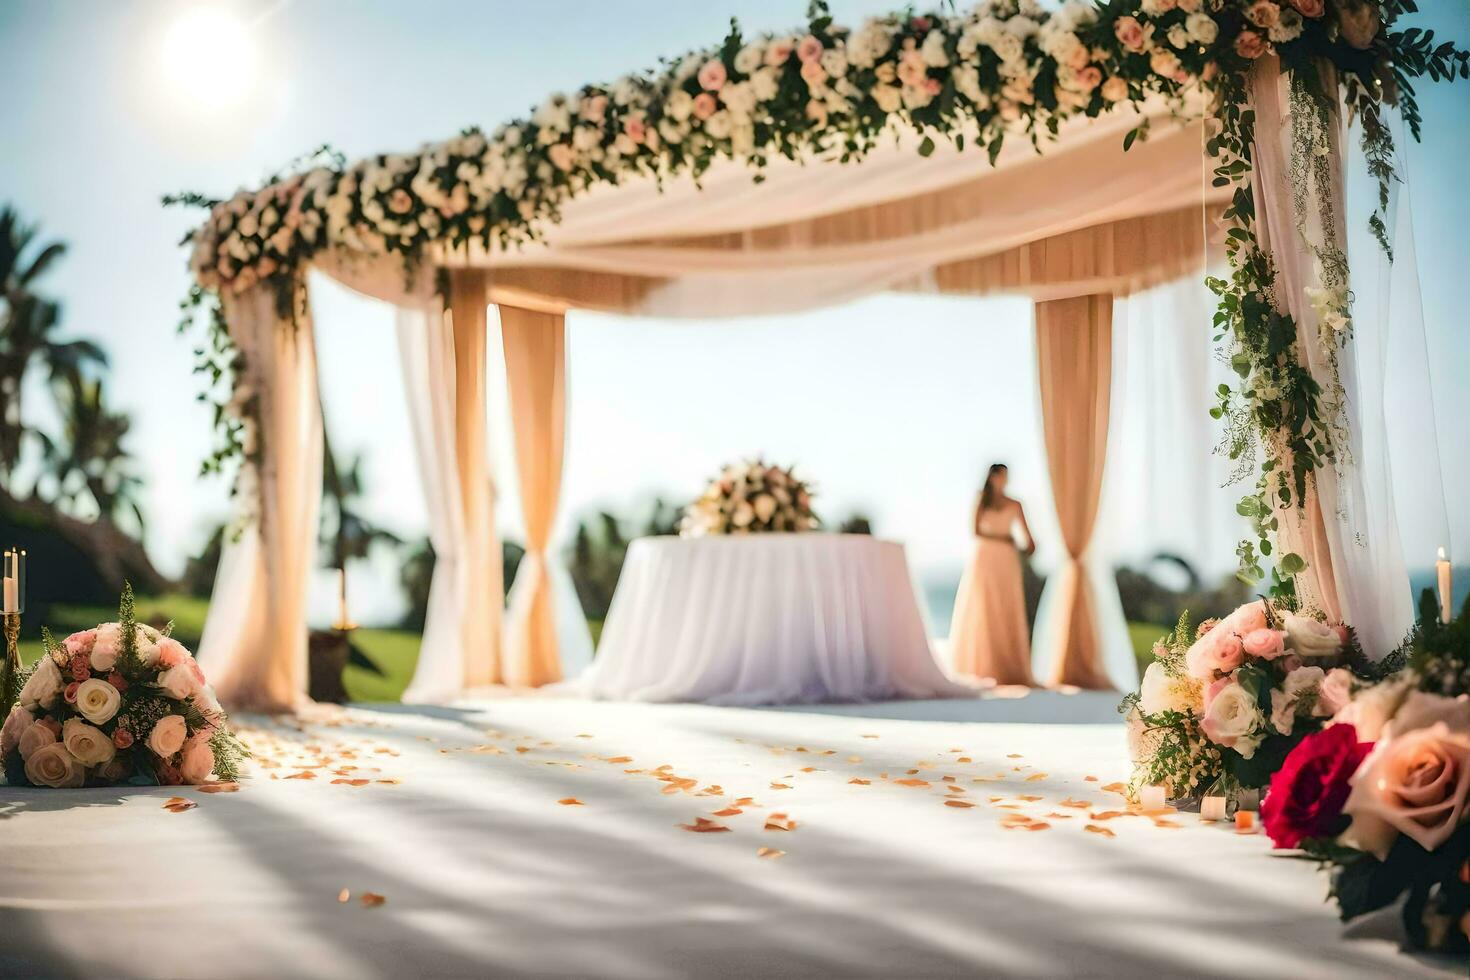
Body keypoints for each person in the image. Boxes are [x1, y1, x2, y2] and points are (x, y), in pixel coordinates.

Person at [947, 463, 1036, 686]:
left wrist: (1023, 551)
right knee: (984, 607)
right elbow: (975, 530)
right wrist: (1004, 539)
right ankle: (980, 665)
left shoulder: (1015, 504)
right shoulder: (981, 499)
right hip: (985, 560)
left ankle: (1008, 666)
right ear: (992, 477)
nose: (1004, 480)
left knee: (1005, 608)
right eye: (1001, 476)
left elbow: (1030, 541)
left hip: (1005, 562)